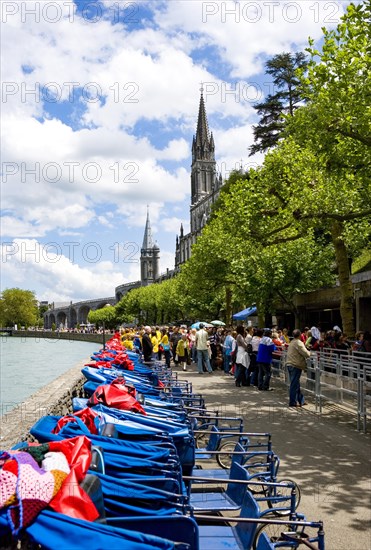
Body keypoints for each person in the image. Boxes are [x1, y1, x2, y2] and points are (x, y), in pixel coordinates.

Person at [286, 329, 311, 407]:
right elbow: (306, 354)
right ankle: (292, 402)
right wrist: (310, 352)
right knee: (294, 384)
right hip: (295, 365)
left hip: (290, 364)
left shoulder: (292, 342)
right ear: (300, 335)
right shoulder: (298, 343)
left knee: (296, 384)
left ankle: (301, 400)